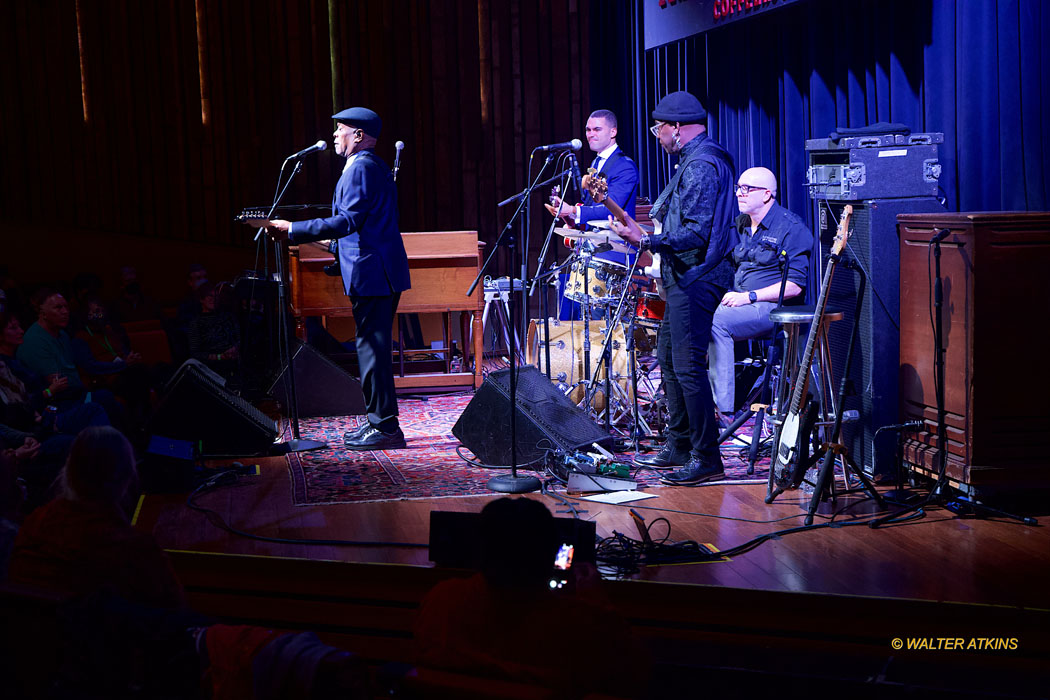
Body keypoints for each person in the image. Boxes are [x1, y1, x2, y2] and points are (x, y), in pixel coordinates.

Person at [257, 107, 411, 451]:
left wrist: (294, 229)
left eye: (340, 130)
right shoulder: (368, 166)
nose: (334, 135)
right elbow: (360, 225)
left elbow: (347, 221)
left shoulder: (362, 168)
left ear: (359, 135)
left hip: (374, 273)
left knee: (372, 350)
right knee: (372, 349)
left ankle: (385, 427)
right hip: (376, 271)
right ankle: (380, 423)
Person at [610, 91, 737, 485]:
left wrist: (646, 241)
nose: (657, 136)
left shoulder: (701, 164)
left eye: (658, 128)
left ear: (676, 128)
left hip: (699, 276)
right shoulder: (694, 160)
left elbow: (696, 233)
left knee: (687, 366)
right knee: (668, 356)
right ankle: (680, 443)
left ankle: (706, 456)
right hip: (687, 275)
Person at [413, 498, 645, 696]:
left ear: (479, 552)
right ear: (552, 556)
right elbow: (634, 676)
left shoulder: (441, 601)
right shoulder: (583, 622)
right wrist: (597, 600)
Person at [8, 426, 186, 609]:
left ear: (67, 472)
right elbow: (175, 609)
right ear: (127, 478)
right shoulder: (137, 551)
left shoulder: (33, 525)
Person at [710, 167, 812, 420]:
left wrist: (749, 297)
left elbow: (795, 286)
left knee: (717, 321)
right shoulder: (741, 224)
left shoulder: (790, 227)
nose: (740, 194)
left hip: (772, 307)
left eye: (747, 189)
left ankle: (723, 410)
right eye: (738, 188)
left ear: (767, 194)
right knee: (695, 310)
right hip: (740, 299)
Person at [545, 109, 640, 318]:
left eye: (597, 129)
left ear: (613, 131)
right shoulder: (596, 164)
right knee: (576, 319)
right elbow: (592, 208)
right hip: (592, 252)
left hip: (614, 255)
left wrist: (575, 211)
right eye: (588, 129)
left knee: (600, 324)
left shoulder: (624, 166)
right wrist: (570, 217)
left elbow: (610, 208)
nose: (590, 134)